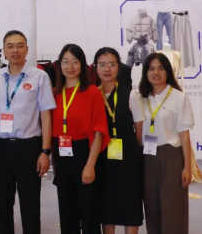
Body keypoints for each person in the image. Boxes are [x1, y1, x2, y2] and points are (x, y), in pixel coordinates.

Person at [0, 30, 55, 234]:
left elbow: (46, 116)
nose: (15, 50)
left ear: (27, 49)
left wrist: (45, 152)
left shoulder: (39, 77)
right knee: (3, 205)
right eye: (10, 46)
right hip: (2, 148)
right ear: (3, 51)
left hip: (29, 148)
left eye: (19, 46)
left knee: (30, 205)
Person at [131, 53, 194, 234]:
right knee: (151, 208)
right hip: (147, 158)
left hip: (171, 157)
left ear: (167, 72)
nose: (155, 73)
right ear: (145, 72)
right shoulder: (140, 98)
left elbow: (184, 136)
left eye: (160, 68)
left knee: (172, 208)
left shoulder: (179, 98)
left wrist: (187, 167)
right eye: (151, 69)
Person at [51, 44, 109, 234]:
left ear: (82, 65)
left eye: (75, 62)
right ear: (59, 65)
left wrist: (90, 165)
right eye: (65, 62)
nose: (70, 67)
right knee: (67, 212)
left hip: (84, 154)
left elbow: (99, 132)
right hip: (61, 155)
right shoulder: (54, 93)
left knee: (89, 212)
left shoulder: (92, 92)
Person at [94, 47, 143, 234]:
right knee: (106, 202)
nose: (107, 69)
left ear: (118, 67)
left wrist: (133, 153)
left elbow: (139, 131)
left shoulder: (131, 95)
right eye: (102, 65)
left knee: (130, 200)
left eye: (112, 64)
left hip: (127, 157)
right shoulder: (93, 95)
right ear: (96, 68)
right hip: (101, 157)